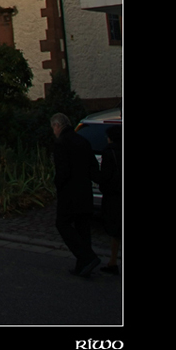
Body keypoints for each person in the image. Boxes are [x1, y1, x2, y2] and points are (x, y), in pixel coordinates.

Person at [50, 113, 101, 277]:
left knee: (63, 224)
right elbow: (93, 168)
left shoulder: (61, 143)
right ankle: (83, 265)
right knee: (83, 228)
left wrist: (57, 185)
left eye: (53, 128)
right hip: (84, 191)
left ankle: (86, 257)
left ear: (57, 126)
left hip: (69, 193)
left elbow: (62, 171)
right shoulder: (83, 141)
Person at [97, 125, 121, 274]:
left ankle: (113, 261)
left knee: (115, 230)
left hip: (115, 195)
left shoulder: (109, 152)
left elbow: (105, 176)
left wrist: (104, 188)